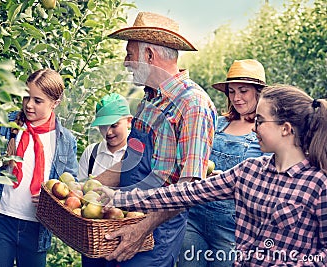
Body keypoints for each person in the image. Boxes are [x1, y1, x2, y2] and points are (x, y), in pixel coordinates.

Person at [99, 84, 327, 266]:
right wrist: (119, 198)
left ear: (285, 128)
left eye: (260, 120)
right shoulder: (249, 172)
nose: (254, 127)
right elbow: (184, 194)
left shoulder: (318, 185)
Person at [94, 12, 217, 267]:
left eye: (129, 54)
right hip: (123, 221)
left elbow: (189, 189)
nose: (126, 62)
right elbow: (131, 163)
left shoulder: (193, 105)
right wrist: (86, 187)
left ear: (149, 55)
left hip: (154, 236)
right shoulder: (148, 101)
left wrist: (140, 231)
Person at [0, 68, 79, 267]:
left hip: (37, 227)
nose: (29, 105)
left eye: (38, 101)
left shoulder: (64, 140)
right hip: (1, 220)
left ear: (55, 103)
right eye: (26, 97)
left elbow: (71, 183)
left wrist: (53, 199)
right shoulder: (7, 124)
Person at [179, 59, 269, 266]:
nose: (236, 98)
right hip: (195, 217)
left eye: (243, 91)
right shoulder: (217, 123)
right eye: (231, 91)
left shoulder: (265, 130)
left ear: (258, 92)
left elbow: (270, 180)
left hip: (233, 227)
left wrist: (231, 182)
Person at [77, 93, 132, 267]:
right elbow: (79, 195)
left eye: (114, 125)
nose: (108, 132)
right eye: (103, 126)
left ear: (129, 121)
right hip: (93, 242)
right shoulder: (91, 153)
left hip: (125, 242)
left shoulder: (138, 153)